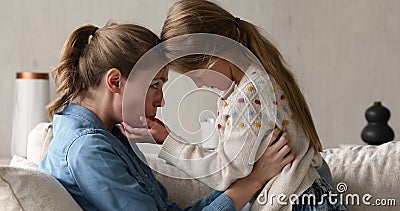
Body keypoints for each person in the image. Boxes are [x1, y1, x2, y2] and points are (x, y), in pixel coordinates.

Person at [39, 22, 294, 211]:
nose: (161, 101)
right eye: (155, 85)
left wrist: (249, 182)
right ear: (115, 81)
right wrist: (254, 180)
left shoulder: (108, 136)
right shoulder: (88, 150)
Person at [124, 1, 348, 210]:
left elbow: (224, 172)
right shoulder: (258, 80)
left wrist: (168, 141)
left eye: (195, 75)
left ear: (214, 57)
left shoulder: (248, 98)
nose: (197, 83)